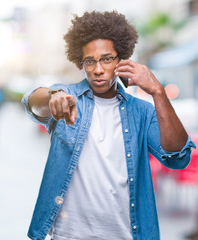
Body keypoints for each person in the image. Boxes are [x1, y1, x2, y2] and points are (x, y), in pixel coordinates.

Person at [21, 11, 196, 240]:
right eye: (89, 61)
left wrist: (158, 92)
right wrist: (53, 96)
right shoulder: (68, 97)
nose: (98, 69)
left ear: (120, 60)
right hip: (69, 235)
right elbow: (32, 101)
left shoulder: (141, 112)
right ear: (81, 63)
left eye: (106, 58)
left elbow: (177, 157)